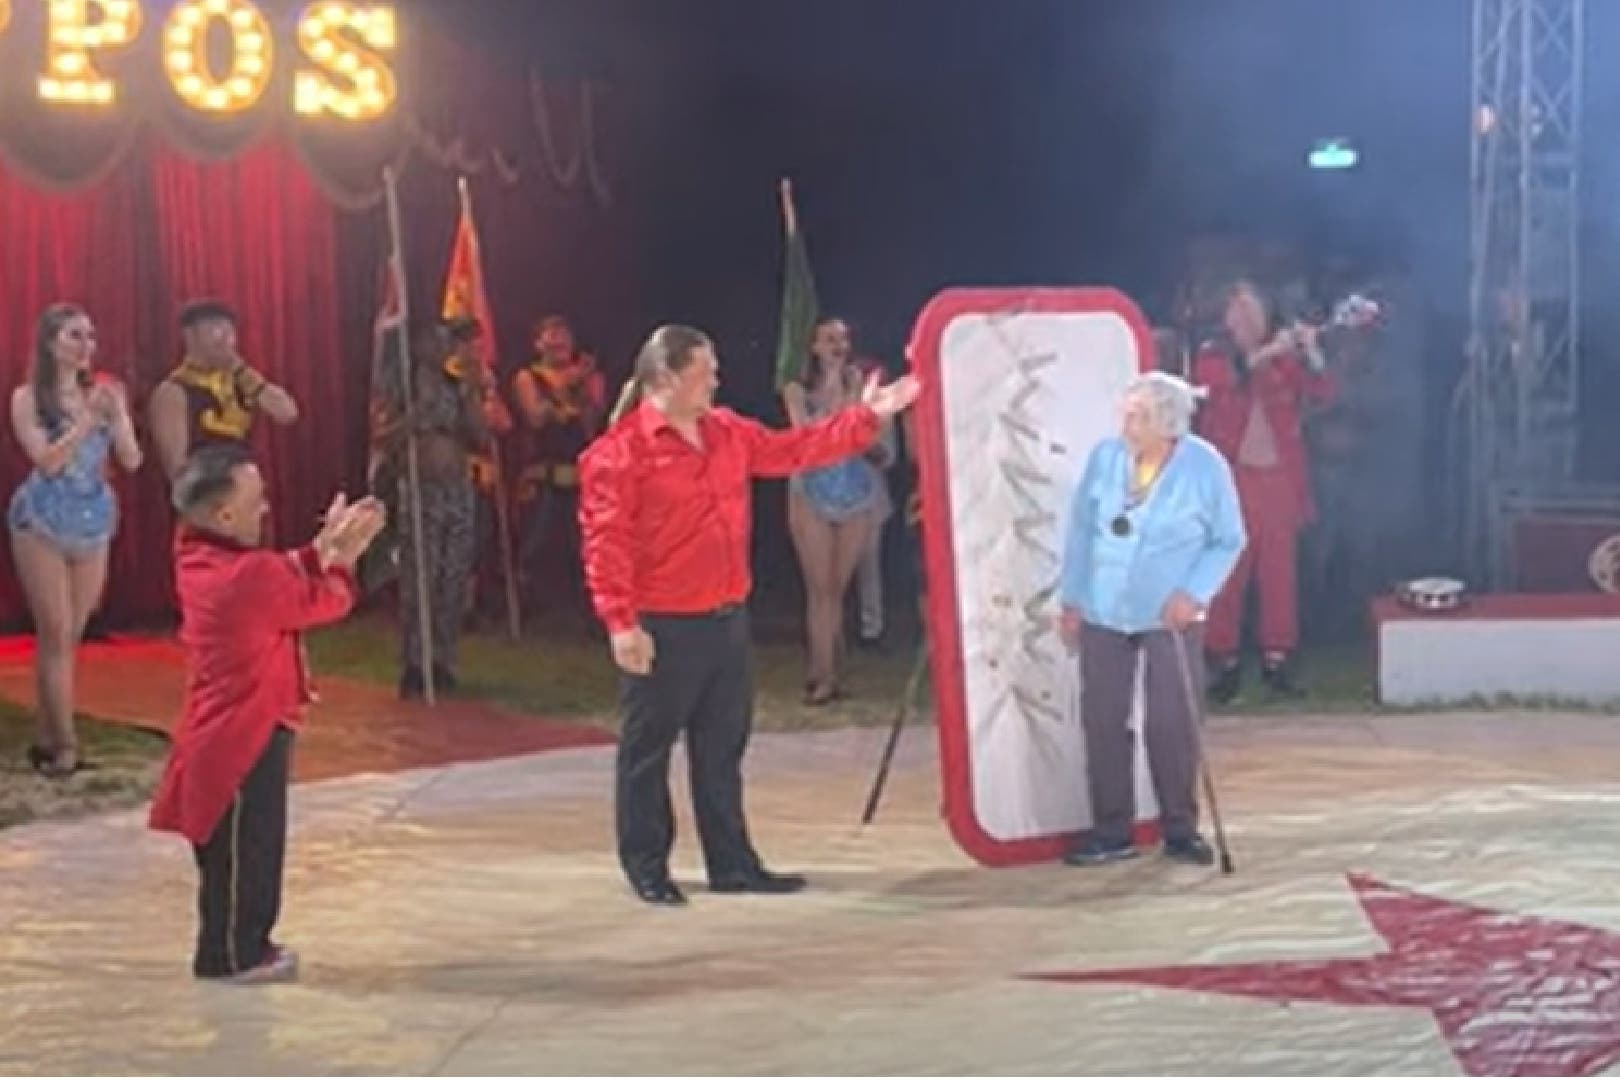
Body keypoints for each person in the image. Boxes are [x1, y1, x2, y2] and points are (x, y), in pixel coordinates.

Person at [579, 323, 919, 906]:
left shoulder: (727, 432)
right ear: (664, 378)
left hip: (724, 616)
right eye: (703, 370)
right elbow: (605, 542)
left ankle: (732, 862)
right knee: (648, 750)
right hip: (663, 623)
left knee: (721, 748)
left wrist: (866, 420)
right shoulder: (619, 454)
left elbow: (795, 449)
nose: (716, 377)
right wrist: (620, 623)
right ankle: (647, 865)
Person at [148, 445, 385, 984]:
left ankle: (247, 943)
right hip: (239, 737)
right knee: (241, 850)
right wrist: (344, 557)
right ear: (223, 516)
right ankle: (230, 956)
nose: (266, 510)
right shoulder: (244, 577)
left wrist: (322, 546)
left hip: (239, 728)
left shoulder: (199, 554)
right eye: (255, 502)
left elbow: (280, 571)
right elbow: (323, 601)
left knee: (254, 844)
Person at [1059, 372, 1245, 867]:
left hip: (1171, 614)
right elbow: (1081, 532)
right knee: (1102, 718)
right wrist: (1072, 597)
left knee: (1171, 721)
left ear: (1168, 423)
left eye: (1138, 416)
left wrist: (1194, 593)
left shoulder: (1205, 466)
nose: (1126, 424)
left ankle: (1180, 829)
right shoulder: (1105, 457)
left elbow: (1228, 540)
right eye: (1125, 412)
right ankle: (1111, 830)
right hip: (1103, 605)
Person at [8, 303, 142, 778]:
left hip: (91, 519)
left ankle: (48, 737)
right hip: (42, 519)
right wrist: (86, 422)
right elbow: (47, 462)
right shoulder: (28, 398)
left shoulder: (105, 394)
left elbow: (131, 459)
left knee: (71, 634)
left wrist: (119, 415)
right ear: (50, 344)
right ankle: (64, 746)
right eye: (74, 336)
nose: (86, 346)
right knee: (56, 630)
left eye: (90, 336)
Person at [1193, 280, 1333, 701]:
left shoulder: (1283, 361)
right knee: (1228, 576)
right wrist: (1274, 352)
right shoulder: (1211, 356)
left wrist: (1309, 350)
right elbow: (1226, 383)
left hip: (1277, 481)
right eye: (1237, 310)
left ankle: (1278, 660)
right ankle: (1223, 662)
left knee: (1279, 576)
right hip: (1231, 480)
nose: (1244, 318)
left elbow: (1322, 392)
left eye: (1252, 309)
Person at [372, 322, 505, 698]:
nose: (444, 347)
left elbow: (479, 436)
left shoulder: (455, 386)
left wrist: (473, 393)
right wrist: (413, 420)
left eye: (449, 341)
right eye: (438, 339)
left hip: (457, 491)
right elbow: (381, 436)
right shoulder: (401, 386)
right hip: (420, 491)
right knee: (421, 579)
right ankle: (415, 663)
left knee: (453, 578)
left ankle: (443, 660)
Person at [781, 317, 896, 704]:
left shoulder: (861, 385)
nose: (838, 345)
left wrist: (852, 393)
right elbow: (811, 438)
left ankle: (827, 666)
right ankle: (822, 675)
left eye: (843, 339)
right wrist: (832, 384)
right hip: (810, 492)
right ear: (813, 346)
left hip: (856, 493)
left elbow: (865, 435)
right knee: (820, 589)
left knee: (837, 588)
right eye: (829, 339)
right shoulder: (796, 389)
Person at [511, 315, 604, 618]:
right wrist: (569, 385)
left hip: (581, 475)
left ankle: (583, 612)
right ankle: (526, 608)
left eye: (564, 334)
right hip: (542, 474)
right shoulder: (528, 377)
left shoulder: (589, 379)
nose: (558, 341)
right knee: (534, 545)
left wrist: (585, 391)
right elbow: (535, 416)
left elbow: (594, 424)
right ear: (538, 344)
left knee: (586, 547)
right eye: (551, 334)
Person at [149, 299, 299, 481]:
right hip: (206, 492)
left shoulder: (241, 381)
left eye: (230, 331)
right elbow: (176, 466)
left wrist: (241, 370)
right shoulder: (174, 390)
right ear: (190, 335)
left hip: (246, 485)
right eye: (216, 329)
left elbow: (287, 413)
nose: (226, 339)